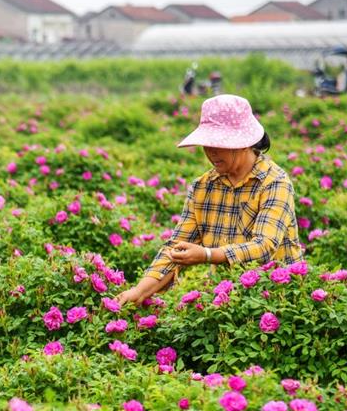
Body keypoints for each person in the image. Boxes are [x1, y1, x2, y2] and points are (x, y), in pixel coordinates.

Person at [115, 94, 302, 306]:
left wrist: (207, 254)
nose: (210, 152)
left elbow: (264, 245)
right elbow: (176, 248)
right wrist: (139, 292)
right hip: (226, 305)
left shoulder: (274, 182)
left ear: (244, 143)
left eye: (218, 144)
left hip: (279, 302)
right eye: (207, 143)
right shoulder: (203, 186)